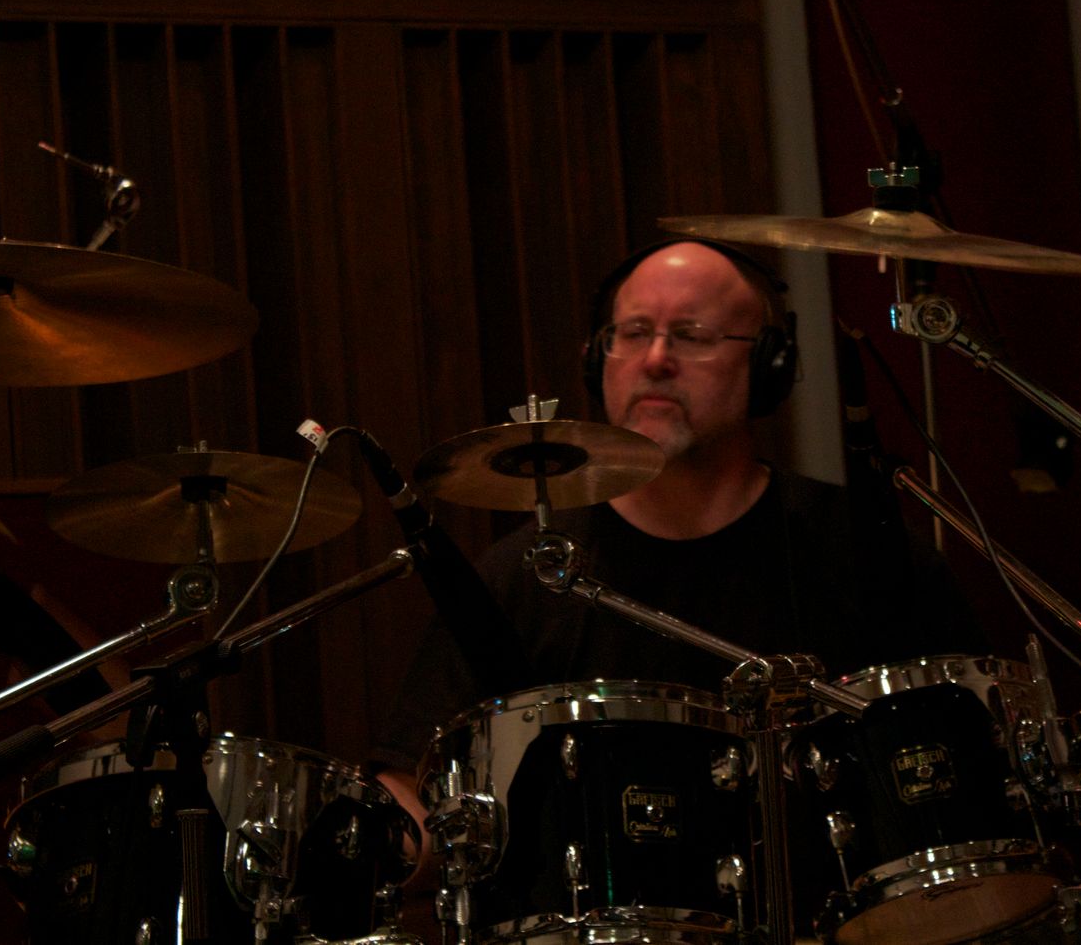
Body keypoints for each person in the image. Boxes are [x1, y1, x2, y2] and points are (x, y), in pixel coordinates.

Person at [371, 238, 987, 923]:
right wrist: (372, 841)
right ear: (597, 360)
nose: (656, 359)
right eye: (633, 333)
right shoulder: (531, 573)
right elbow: (416, 789)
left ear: (770, 366)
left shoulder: (865, 553)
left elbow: (971, 773)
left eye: (692, 335)